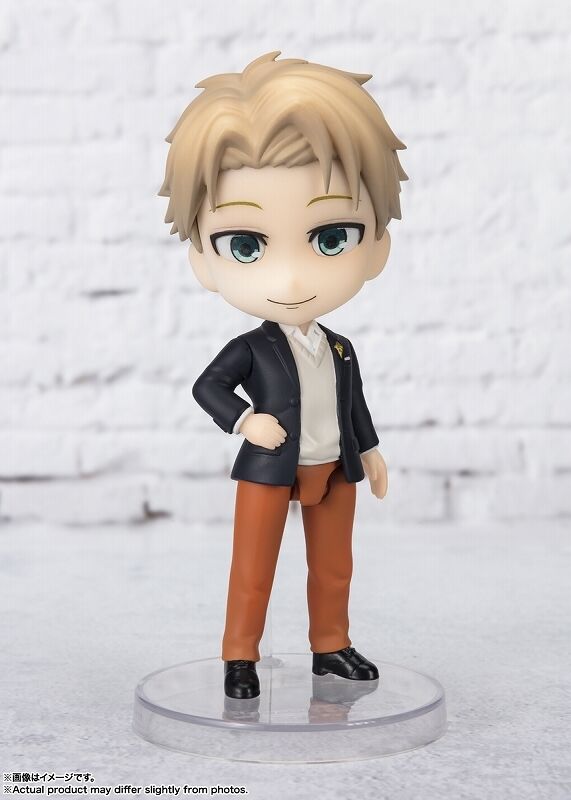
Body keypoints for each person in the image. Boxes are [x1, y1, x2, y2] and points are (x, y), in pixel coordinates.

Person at [159, 51, 407, 699]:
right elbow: (207, 386)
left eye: (332, 237)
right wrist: (246, 420)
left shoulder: (341, 346)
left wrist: (370, 449)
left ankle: (331, 645)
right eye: (245, 245)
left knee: (334, 567)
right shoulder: (250, 347)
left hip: (335, 466)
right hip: (269, 467)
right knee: (253, 567)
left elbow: (353, 403)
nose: (292, 279)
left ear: (376, 248)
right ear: (202, 260)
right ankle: (240, 655)